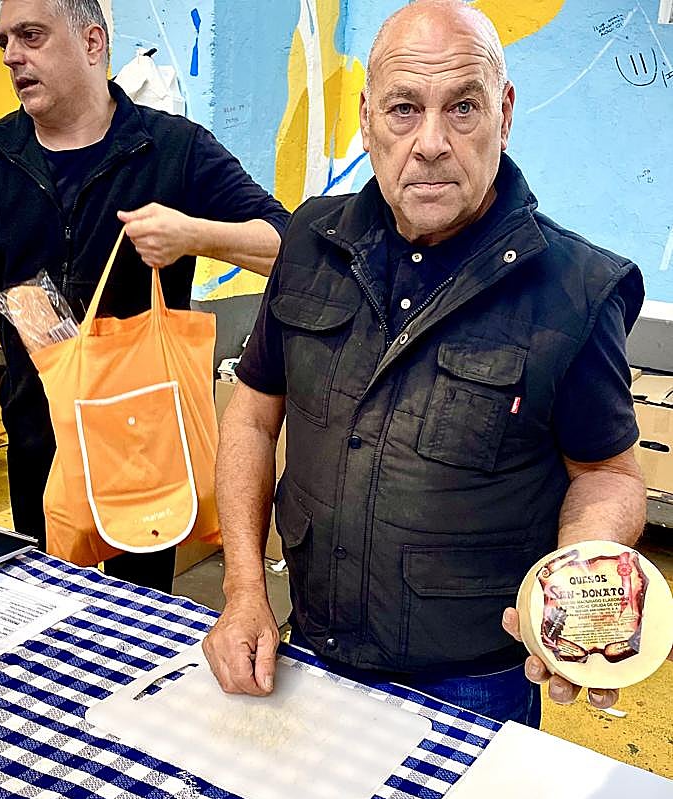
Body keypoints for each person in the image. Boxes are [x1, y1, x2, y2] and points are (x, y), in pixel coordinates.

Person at [202, 0, 648, 726]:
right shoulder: (311, 242)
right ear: (366, 118)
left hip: (474, 683)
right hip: (308, 644)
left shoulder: (575, 289)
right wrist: (245, 588)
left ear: (504, 113)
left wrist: (573, 590)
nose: (431, 143)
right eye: (404, 108)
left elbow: (608, 474)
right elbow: (252, 415)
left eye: (463, 107)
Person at [0, 0, 289, 591]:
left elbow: (289, 245)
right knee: (47, 610)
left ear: (92, 42)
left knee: (138, 613)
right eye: (5, 40)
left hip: (146, 452)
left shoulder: (174, 151)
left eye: (31, 36)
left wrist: (196, 234)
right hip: (38, 446)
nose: (11, 56)